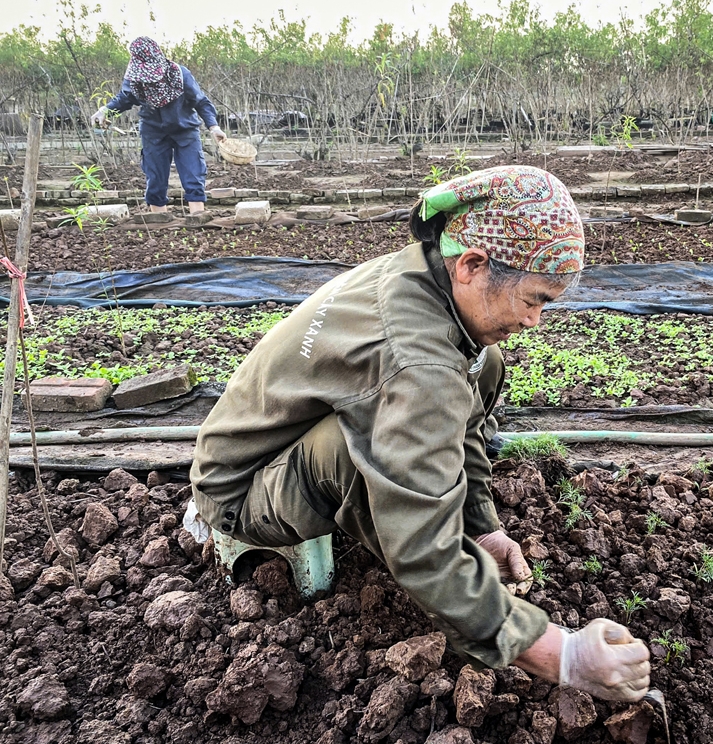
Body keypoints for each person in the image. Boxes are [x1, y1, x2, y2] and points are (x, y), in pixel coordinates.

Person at [187, 166, 650, 701]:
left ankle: (458, 560)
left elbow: (460, 423)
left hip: (285, 447)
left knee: (483, 362)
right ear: (473, 265)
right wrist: (559, 654)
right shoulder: (420, 364)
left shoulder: (429, 275)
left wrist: (480, 527)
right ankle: (471, 617)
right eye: (534, 299)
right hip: (240, 489)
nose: (536, 320)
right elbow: (420, 544)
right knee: (362, 460)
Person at [92, 37, 226, 215]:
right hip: (153, 131)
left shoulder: (180, 75)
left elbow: (201, 102)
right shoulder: (134, 79)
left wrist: (214, 127)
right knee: (155, 177)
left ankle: (197, 218)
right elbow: (125, 98)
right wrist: (105, 111)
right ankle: (158, 220)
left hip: (185, 129)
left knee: (193, 173)